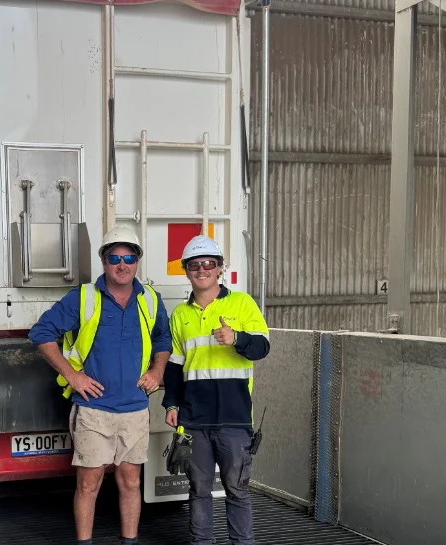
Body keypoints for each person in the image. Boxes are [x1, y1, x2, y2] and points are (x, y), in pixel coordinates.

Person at [29, 225, 171, 545]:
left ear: (138, 261)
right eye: (114, 257)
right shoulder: (83, 298)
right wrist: (73, 376)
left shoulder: (149, 299)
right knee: (89, 485)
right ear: (103, 261)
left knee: (131, 483)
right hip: (94, 410)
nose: (123, 264)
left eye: (129, 257)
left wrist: (158, 370)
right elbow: (41, 334)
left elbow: (163, 338)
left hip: (135, 408)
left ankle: (130, 542)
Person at [162, 235, 270, 545]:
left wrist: (236, 337)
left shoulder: (242, 303)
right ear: (186, 271)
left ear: (220, 268)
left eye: (209, 263)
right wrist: (171, 405)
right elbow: (174, 367)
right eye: (195, 265)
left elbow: (262, 347)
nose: (202, 269)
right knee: (198, 492)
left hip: (235, 419)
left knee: (237, 490)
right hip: (194, 420)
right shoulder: (180, 316)